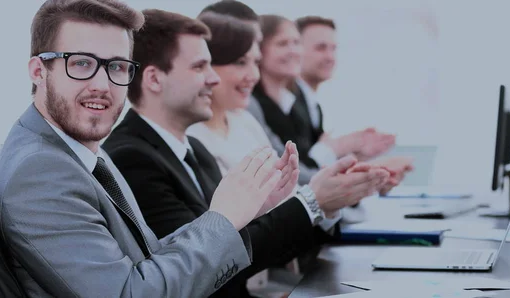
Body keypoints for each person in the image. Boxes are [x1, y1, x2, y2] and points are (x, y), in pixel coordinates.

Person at [0, 1, 284, 297]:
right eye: (81, 63)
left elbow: (147, 258)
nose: (102, 85)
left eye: (116, 66)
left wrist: (240, 213)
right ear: (38, 71)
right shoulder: (40, 173)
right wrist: (224, 219)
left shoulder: (78, 152)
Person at [102, 9, 390, 298]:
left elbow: (231, 247)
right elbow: (202, 270)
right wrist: (311, 202)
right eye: (200, 67)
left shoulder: (194, 151)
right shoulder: (132, 157)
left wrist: (311, 205)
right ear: (154, 79)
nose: (213, 79)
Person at [247, 14, 399, 186]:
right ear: (259, 50)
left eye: (296, 43)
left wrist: (356, 157)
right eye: (282, 44)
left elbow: (311, 165)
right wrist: (336, 148)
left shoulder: (293, 104)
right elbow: (297, 168)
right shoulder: (253, 105)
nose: (293, 51)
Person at [295, 15, 413, 193]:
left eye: (333, 49)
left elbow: (315, 168)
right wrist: (338, 147)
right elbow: (302, 173)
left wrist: (357, 158)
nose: (330, 57)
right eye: (320, 48)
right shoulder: (287, 104)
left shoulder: (312, 106)